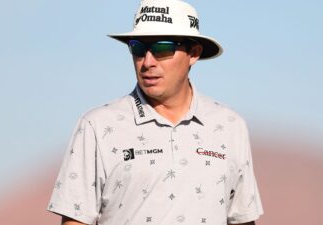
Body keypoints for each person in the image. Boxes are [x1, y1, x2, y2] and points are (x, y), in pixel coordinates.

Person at [47, 0, 264, 224]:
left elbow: (242, 217)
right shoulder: (97, 125)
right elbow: (76, 219)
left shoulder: (230, 125)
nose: (147, 62)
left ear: (194, 53)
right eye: (138, 48)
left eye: (162, 47)